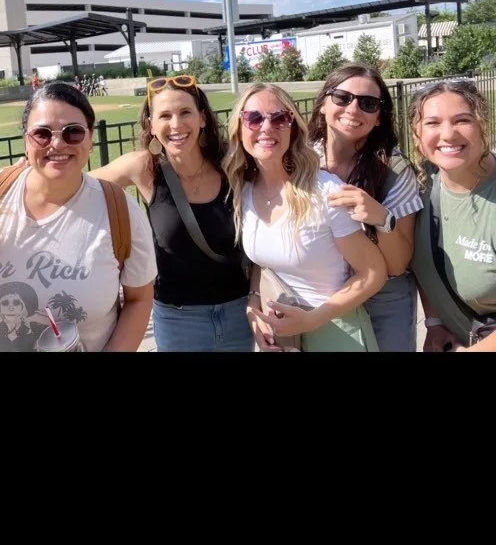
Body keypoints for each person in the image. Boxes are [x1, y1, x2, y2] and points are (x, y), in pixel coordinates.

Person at [0, 81, 156, 351]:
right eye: (42, 134)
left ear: (90, 139)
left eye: (73, 133)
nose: (56, 143)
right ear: (26, 139)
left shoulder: (120, 211)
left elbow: (139, 298)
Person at [93, 75, 254, 351]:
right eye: (165, 115)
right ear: (151, 125)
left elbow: (283, 173)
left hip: (239, 313)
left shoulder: (232, 162)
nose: (176, 124)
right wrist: (25, 172)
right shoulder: (144, 168)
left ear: (202, 118)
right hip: (178, 320)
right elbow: (75, 185)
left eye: (185, 112)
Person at [224, 83, 387, 351]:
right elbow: (265, 263)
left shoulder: (325, 192)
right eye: (254, 118)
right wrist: (254, 306)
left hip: (336, 331)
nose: (267, 127)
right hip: (285, 336)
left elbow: (373, 272)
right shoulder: (244, 191)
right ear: (239, 129)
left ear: (293, 128)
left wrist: (312, 320)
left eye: (280, 118)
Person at [307, 66, 422, 351]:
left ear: (379, 117)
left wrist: (381, 218)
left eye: (368, 103)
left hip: (382, 300)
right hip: (320, 291)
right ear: (323, 104)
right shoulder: (301, 160)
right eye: (342, 97)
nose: (353, 109)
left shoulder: (394, 169)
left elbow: (397, 264)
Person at [409, 79, 496, 352]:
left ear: (482, 125)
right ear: (416, 135)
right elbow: (426, 264)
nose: (448, 134)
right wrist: (434, 322)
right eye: (432, 123)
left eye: (462, 120)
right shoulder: (421, 185)